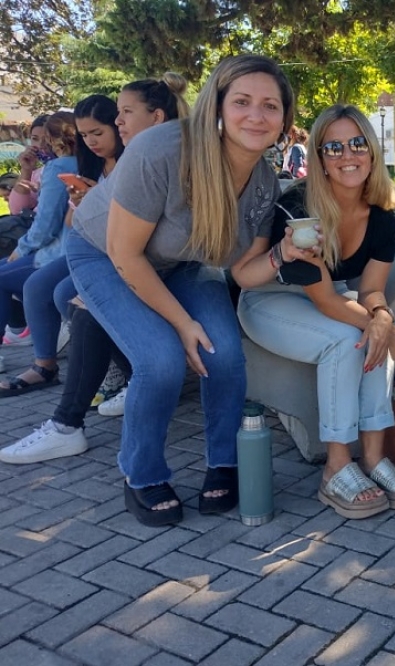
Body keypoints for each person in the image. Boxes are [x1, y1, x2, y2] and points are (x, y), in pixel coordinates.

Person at [64, 54, 297, 527]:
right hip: (105, 255)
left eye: (270, 106)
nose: (256, 115)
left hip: (183, 262)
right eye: (243, 102)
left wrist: (282, 257)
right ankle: (141, 474)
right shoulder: (161, 150)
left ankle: (225, 463)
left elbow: (242, 269)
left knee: (225, 353)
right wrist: (182, 323)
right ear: (217, 105)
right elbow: (126, 254)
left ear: (284, 120)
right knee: (161, 360)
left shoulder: (264, 184)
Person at [238, 103, 395, 520]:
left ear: (372, 150)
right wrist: (383, 330)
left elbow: (372, 288)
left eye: (357, 143)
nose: (347, 155)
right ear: (319, 157)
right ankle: (336, 466)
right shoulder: (300, 208)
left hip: (333, 297)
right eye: (333, 147)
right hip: (270, 299)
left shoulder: (385, 212)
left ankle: (373, 459)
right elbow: (325, 302)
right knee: (349, 339)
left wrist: (383, 317)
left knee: (368, 332)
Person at [0, 74, 188, 464]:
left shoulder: (160, 155)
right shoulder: (129, 158)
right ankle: (71, 418)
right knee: (78, 298)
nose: (117, 124)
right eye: (115, 115)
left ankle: (69, 420)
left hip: (166, 264)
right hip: (125, 256)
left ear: (155, 117)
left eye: (124, 114)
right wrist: (84, 204)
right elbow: (88, 230)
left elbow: (155, 236)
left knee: (80, 299)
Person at [1, 95, 124, 397]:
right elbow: (67, 220)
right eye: (85, 135)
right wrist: (81, 200)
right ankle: (47, 369)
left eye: (98, 132)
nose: (91, 141)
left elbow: (48, 225)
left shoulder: (126, 162)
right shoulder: (88, 165)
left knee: (57, 291)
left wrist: (98, 202)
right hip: (88, 246)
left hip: (110, 251)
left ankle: (116, 367)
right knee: (44, 288)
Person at [0, 112, 77, 381]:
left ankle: (40, 359)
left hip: (58, 249)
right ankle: (27, 339)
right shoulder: (59, 165)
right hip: (56, 245)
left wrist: (23, 248)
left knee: (13, 279)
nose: (39, 145)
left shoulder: (60, 166)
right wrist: (27, 171)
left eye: (43, 139)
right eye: (33, 139)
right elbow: (19, 208)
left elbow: (46, 224)